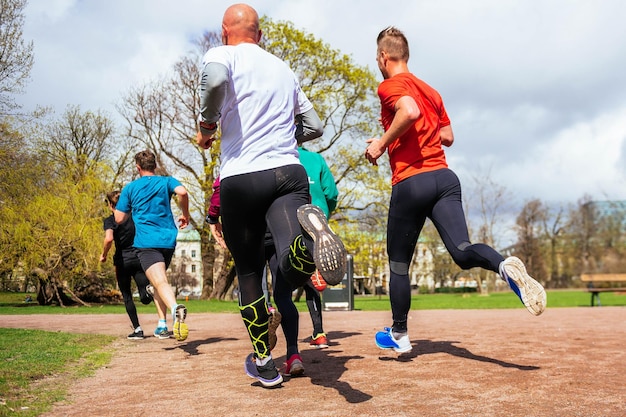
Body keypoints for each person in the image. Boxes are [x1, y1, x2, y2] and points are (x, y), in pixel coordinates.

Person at [364, 27, 547, 354]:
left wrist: (381, 143)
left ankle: (400, 336)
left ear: (383, 57)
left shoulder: (390, 85)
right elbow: (447, 136)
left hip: (411, 181)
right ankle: (504, 266)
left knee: (399, 264)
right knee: (462, 251)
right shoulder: (432, 91)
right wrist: (423, 134)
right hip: (445, 179)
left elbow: (409, 111)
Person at [197, 3, 347, 387]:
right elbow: (314, 125)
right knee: (289, 256)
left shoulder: (221, 54)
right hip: (288, 172)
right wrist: (284, 139)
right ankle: (308, 245)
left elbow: (213, 84)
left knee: (249, 273)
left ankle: (265, 363)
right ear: (259, 35)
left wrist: (207, 126)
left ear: (224, 31)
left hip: (241, 177)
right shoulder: (283, 68)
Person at [114, 149, 191, 342]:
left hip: (147, 242)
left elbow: (119, 218)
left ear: (138, 168)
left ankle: (175, 309)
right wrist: (185, 214)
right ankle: (162, 325)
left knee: (160, 282)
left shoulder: (130, 188)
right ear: (154, 166)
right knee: (158, 281)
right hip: (168, 239)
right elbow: (182, 192)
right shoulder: (166, 181)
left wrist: (131, 206)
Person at [100, 191, 170, 340]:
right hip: (139, 258)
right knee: (145, 295)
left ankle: (138, 330)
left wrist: (104, 254)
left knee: (127, 297)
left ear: (110, 205)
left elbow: (108, 239)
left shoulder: (110, 220)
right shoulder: (135, 217)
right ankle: (148, 293)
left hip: (122, 262)